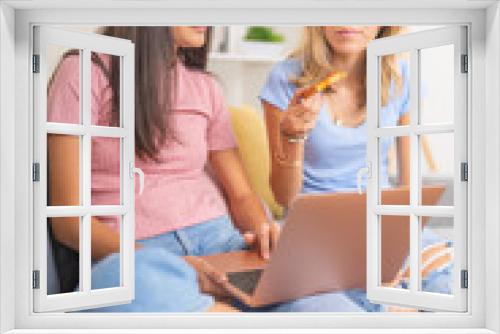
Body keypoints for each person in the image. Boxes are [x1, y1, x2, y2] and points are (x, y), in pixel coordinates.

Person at [47, 26, 280, 312]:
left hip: (220, 242)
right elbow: (68, 222)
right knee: (134, 283)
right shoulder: (85, 70)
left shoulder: (205, 86)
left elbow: (242, 194)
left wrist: (264, 232)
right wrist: (176, 269)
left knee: (315, 293)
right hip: (138, 254)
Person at [259, 26, 453, 312]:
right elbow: (284, 196)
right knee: (382, 309)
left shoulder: (401, 78)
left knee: (452, 288)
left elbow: (409, 188)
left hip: (386, 223)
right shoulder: (285, 80)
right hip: (317, 233)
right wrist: (294, 136)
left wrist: (396, 250)